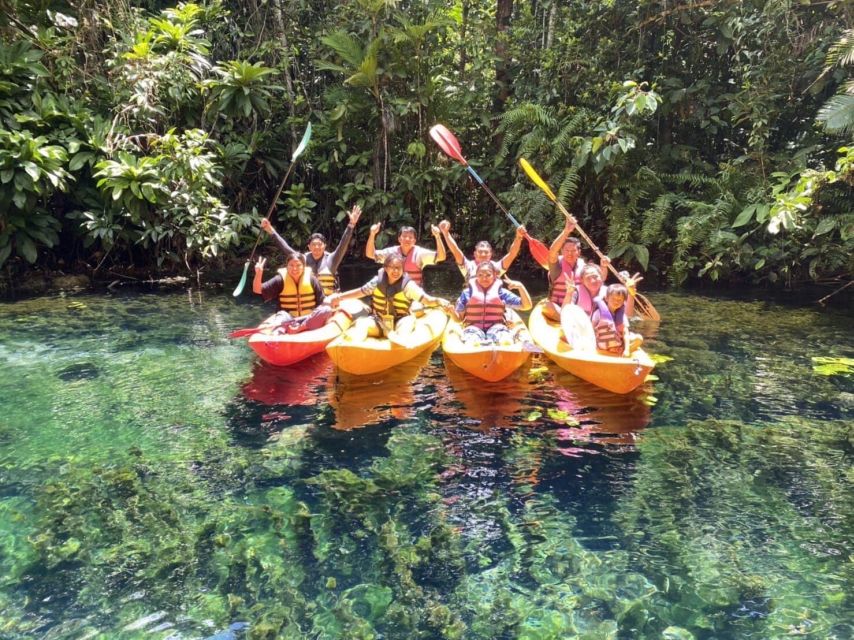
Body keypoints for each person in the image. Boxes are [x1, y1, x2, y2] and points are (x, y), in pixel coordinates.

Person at [328, 254, 446, 338]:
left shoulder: (408, 286)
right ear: (385, 268)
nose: (395, 271)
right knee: (361, 324)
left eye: (398, 268)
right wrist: (339, 297)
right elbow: (360, 292)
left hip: (401, 320)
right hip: (379, 320)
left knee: (406, 325)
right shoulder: (376, 282)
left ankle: (399, 341)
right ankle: (352, 345)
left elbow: (427, 299)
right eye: (392, 268)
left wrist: (438, 301)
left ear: (402, 269)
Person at [260, 204, 362, 295]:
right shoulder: (302, 259)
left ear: (324, 246)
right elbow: (285, 248)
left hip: (328, 301)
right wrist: (270, 230)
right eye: (313, 244)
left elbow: (342, 245)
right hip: (309, 301)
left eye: (319, 244)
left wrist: (351, 225)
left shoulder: (332, 259)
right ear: (309, 247)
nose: (316, 247)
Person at [542, 215, 609, 321]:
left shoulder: (584, 267)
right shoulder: (557, 266)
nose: (570, 253)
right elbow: (552, 252)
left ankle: (585, 320)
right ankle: (568, 320)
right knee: (548, 307)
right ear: (562, 251)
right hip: (559, 306)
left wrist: (604, 267)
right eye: (567, 250)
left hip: (578, 307)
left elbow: (601, 279)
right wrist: (566, 231)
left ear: (579, 252)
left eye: (573, 250)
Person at [450, 261, 532, 345]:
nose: (484, 278)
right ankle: (473, 347)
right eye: (480, 275)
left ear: (495, 276)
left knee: (504, 337)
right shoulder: (467, 293)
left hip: (497, 328)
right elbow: (458, 319)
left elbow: (526, 306)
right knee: (471, 339)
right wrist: (452, 312)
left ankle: (505, 346)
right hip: (473, 328)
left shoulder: (502, 293)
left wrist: (520, 286)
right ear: (476, 276)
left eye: (488, 275)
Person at [252, 252, 336, 334]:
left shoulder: (312, 280)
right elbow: (257, 290)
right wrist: (259, 274)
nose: (294, 269)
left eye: (298, 265)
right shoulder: (279, 280)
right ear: (287, 266)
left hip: (308, 319)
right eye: (291, 265)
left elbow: (322, 302)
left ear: (303, 267)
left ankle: (301, 328)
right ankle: (277, 332)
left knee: (326, 309)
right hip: (289, 319)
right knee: (281, 314)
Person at [437, 219, 526, 280]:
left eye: (486, 252)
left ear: (491, 254)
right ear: (475, 254)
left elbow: (512, 254)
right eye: (480, 252)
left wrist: (518, 237)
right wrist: (445, 233)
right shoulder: (468, 266)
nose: (483, 254)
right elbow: (455, 250)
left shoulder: (496, 267)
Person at [365, 223, 446, 287]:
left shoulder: (420, 253)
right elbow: (370, 254)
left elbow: (441, 257)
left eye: (410, 237)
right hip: (394, 292)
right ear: (399, 239)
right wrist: (372, 234)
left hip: (414, 295)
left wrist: (437, 236)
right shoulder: (391, 252)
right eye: (404, 236)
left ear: (414, 241)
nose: (407, 239)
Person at [591, 284, 643, 356]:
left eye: (619, 300)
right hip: (602, 344)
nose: (616, 302)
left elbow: (625, 333)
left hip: (617, 344)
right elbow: (591, 330)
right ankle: (610, 352)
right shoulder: (598, 313)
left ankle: (621, 352)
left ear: (623, 302)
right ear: (606, 298)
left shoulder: (622, 316)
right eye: (613, 299)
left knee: (639, 338)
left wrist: (627, 349)